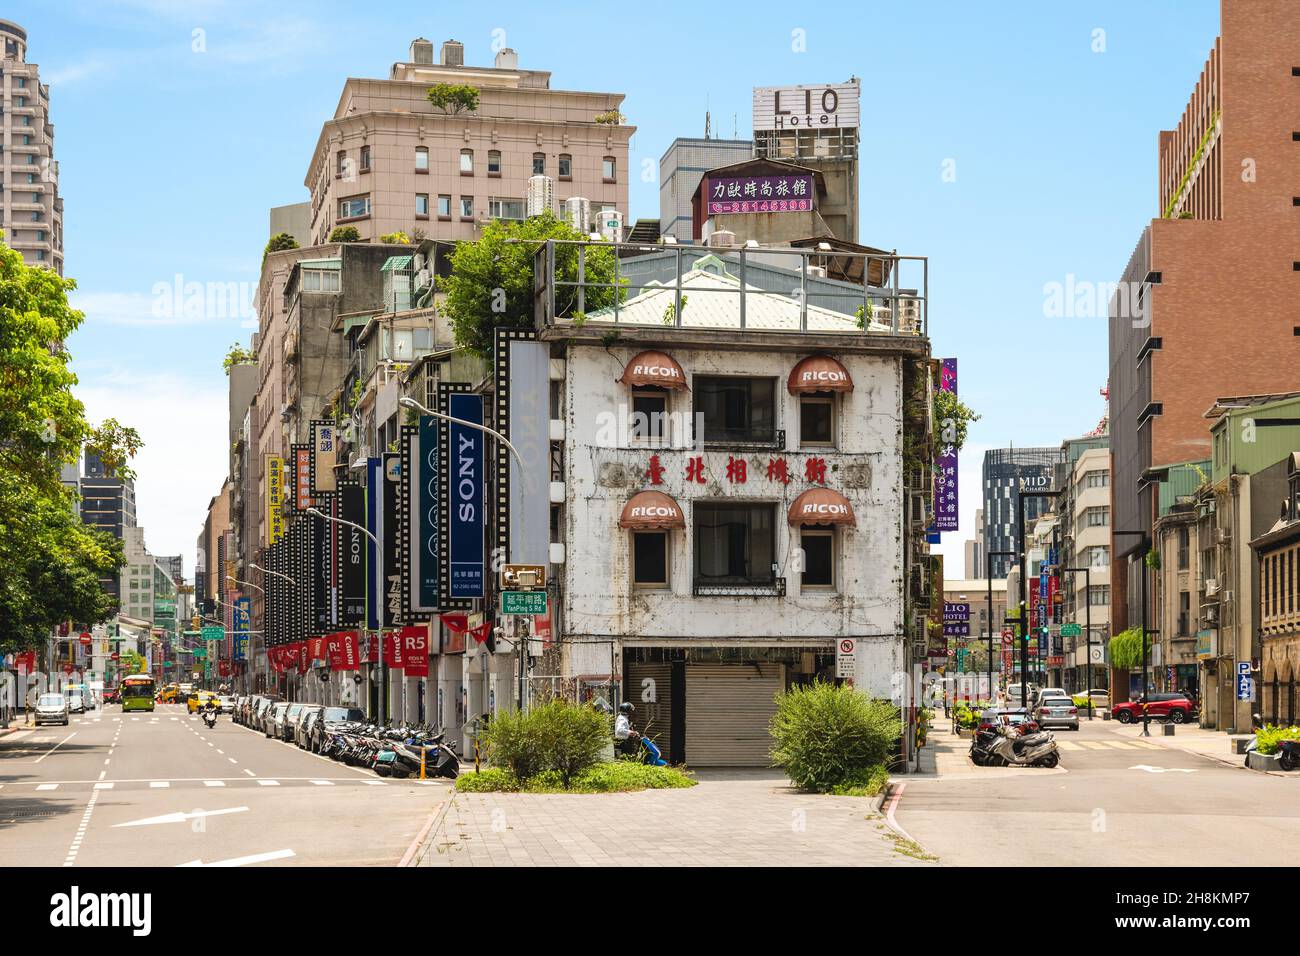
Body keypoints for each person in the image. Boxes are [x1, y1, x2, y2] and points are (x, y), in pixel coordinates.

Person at [614, 702, 666, 766]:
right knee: (626, 760)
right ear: (628, 711)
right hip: (622, 743)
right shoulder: (622, 719)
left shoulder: (624, 718)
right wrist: (631, 732)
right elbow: (619, 730)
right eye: (631, 710)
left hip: (625, 742)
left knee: (632, 757)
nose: (633, 712)